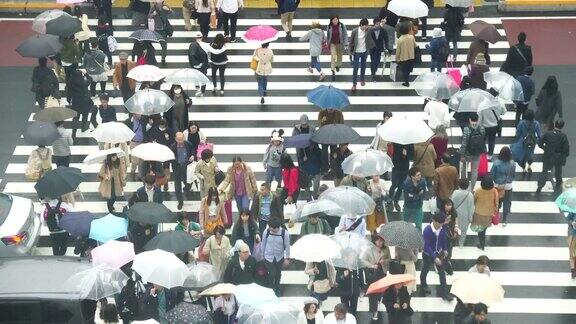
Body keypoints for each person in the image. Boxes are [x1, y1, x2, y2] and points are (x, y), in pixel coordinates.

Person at [420, 213, 453, 301]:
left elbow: (443, 239)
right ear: (434, 221)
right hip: (428, 255)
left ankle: (444, 293)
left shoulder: (442, 228)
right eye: (439, 224)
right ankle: (423, 285)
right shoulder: (427, 230)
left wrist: (445, 249)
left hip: (439, 253)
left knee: (442, 273)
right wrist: (434, 258)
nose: (440, 226)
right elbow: (426, 246)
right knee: (425, 269)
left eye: (442, 224)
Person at [537, 119, 570, 193]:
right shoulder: (563, 136)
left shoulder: (548, 134)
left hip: (548, 156)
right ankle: (558, 186)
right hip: (558, 157)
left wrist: (545, 148)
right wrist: (564, 155)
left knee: (544, 171)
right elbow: (566, 148)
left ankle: (540, 186)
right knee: (558, 172)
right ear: (562, 127)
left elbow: (539, 143)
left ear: (555, 125)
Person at [293, 114, 322, 197]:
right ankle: (308, 197)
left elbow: (316, 139)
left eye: (305, 124)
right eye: (303, 124)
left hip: (313, 158)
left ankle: (315, 195)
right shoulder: (296, 129)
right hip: (302, 154)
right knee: (305, 179)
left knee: (316, 180)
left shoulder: (312, 128)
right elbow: (294, 139)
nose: (304, 125)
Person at [363, 234, 391, 320]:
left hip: (382, 272)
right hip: (373, 273)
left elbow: (389, 259)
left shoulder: (386, 249)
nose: (380, 242)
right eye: (378, 240)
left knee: (380, 290)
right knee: (373, 293)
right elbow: (363, 260)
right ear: (375, 241)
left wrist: (384, 261)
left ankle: (378, 299)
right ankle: (374, 311)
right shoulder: (369, 249)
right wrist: (371, 265)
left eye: (382, 240)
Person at [261, 217, 291, 296]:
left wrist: (287, 258)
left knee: (278, 274)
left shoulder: (284, 233)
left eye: (274, 229)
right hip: (268, 257)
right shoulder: (266, 232)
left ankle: (277, 288)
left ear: (278, 227)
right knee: (272, 273)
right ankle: (271, 288)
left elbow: (287, 246)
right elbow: (263, 244)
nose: (272, 231)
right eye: (271, 228)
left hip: (279, 257)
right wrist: (262, 255)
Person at [471, 176, 499, 250]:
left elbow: (473, 201)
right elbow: (496, 203)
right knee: (484, 229)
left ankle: (482, 244)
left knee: (480, 230)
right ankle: (482, 244)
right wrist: (495, 211)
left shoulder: (478, 190)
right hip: (489, 214)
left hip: (479, 213)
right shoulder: (494, 191)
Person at [460, 113, 486, 191]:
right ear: (478, 120)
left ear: (470, 120)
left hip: (468, 153)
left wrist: (462, 154)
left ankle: (464, 185)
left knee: (464, 168)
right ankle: (471, 188)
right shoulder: (482, 128)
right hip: (477, 153)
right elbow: (483, 140)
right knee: (474, 170)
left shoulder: (466, 129)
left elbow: (464, 143)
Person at [511, 109, 542, 175]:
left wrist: (517, 140)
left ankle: (524, 169)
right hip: (532, 141)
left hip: (523, 141)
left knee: (523, 155)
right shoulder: (536, 124)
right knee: (530, 154)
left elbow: (518, 134)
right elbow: (539, 135)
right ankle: (529, 166)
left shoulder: (521, 123)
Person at [66, 69, 94, 140]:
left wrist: (69, 100)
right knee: (85, 115)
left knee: (75, 118)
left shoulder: (70, 82)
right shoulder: (84, 82)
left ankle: (74, 132)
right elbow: (90, 79)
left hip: (76, 102)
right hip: (85, 101)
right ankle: (83, 128)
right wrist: (86, 74)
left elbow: (68, 93)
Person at [171, 132, 195, 209]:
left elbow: (193, 151)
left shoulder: (188, 144)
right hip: (176, 168)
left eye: (182, 139)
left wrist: (192, 156)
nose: (180, 141)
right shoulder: (172, 147)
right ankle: (180, 201)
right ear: (175, 139)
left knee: (188, 182)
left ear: (184, 138)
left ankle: (186, 189)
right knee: (177, 186)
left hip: (187, 167)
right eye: (179, 140)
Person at [490, 147, 515, 225]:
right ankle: (504, 219)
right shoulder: (512, 163)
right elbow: (513, 175)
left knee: (497, 201)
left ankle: (495, 217)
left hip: (498, 185)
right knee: (507, 202)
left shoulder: (496, 163)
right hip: (508, 185)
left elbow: (492, 175)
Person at [479, 90, 506, 157]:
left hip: (484, 126)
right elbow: (503, 112)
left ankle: (483, 153)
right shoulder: (500, 103)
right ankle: (490, 154)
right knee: (492, 140)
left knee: (482, 140)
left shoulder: (482, 104)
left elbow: (479, 117)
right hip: (494, 126)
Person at [389, 143, 414, 213]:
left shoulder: (410, 144)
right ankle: (389, 200)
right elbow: (392, 153)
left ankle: (396, 201)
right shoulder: (396, 142)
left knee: (401, 186)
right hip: (396, 167)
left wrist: (406, 154)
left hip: (405, 168)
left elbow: (412, 156)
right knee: (394, 184)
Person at [349, 18, 371, 92]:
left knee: (363, 66)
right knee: (355, 68)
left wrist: (381, 24)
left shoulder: (368, 30)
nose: (366, 27)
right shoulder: (355, 31)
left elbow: (375, 27)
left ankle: (362, 79)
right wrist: (350, 52)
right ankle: (354, 84)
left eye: (367, 26)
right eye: (365, 26)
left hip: (364, 52)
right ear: (361, 25)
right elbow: (351, 42)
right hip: (357, 52)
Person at [451, 179, 474, 247]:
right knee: (464, 231)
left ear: (459, 185)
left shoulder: (455, 192)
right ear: (467, 186)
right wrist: (470, 218)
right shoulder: (470, 195)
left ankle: (453, 241)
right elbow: (471, 207)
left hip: (455, 215)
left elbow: (452, 203)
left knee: (454, 228)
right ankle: (461, 243)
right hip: (465, 216)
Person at [395, 22, 416, 87]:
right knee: (409, 69)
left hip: (403, 57)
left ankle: (406, 81)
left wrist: (397, 58)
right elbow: (415, 46)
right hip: (411, 56)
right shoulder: (411, 37)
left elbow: (398, 51)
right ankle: (407, 79)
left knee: (404, 69)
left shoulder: (400, 40)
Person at [566, 213, 576, 278]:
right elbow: (567, 219)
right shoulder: (572, 212)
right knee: (571, 253)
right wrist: (572, 223)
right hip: (572, 235)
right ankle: (573, 271)